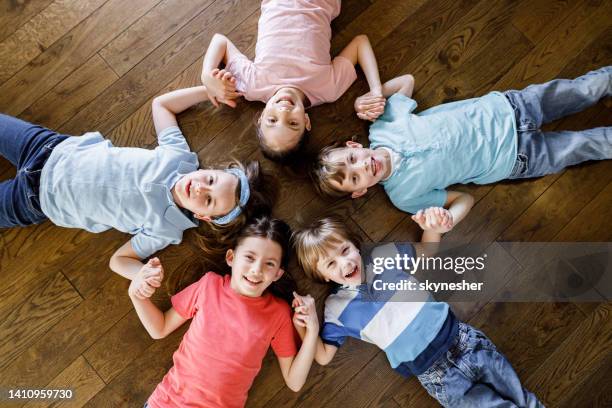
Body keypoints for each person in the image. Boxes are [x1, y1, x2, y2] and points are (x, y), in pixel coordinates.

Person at [0, 86, 273, 280]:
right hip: (48, 148)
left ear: (203, 216)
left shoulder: (167, 230)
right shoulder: (178, 158)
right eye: (211, 179)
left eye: (209, 200)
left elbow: (119, 260)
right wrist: (208, 90)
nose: (201, 187)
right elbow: (162, 106)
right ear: (211, 170)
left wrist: (140, 274)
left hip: (35, 200)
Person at [292, 211, 544, 407]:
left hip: (463, 341)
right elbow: (323, 356)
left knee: (524, 401)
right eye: (331, 263)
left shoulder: (384, 256)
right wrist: (309, 326)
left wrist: (431, 228)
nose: (345, 262)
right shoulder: (336, 309)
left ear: (355, 245)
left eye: (345, 250)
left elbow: (427, 252)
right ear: (322, 276)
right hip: (437, 375)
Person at [311, 67, 612, 229]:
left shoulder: (384, 125)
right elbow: (462, 198)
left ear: (355, 145)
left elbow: (407, 81)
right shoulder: (404, 196)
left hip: (509, 109)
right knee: (585, 146)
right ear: (360, 191)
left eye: (353, 159)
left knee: (583, 89)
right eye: (354, 177)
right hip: (513, 160)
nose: (362, 167)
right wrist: (448, 220)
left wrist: (372, 96)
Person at [130, 216, 319, 407]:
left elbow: (294, 382)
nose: (256, 270)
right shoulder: (209, 285)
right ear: (231, 257)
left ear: (278, 273)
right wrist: (136, 295)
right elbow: (159, 328)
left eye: (269, 263)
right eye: (250, 257)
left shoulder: (278, 313)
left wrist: (312, 333)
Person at [201, 0, 389, 162]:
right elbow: (360, 43)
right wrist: (376, 90)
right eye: (292, 123)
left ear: (260, 118)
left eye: (272, 120)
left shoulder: (252, 86)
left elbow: (220, 42)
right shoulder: (327, 89)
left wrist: (207, 76)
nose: (284, 112)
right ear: (306, 121)